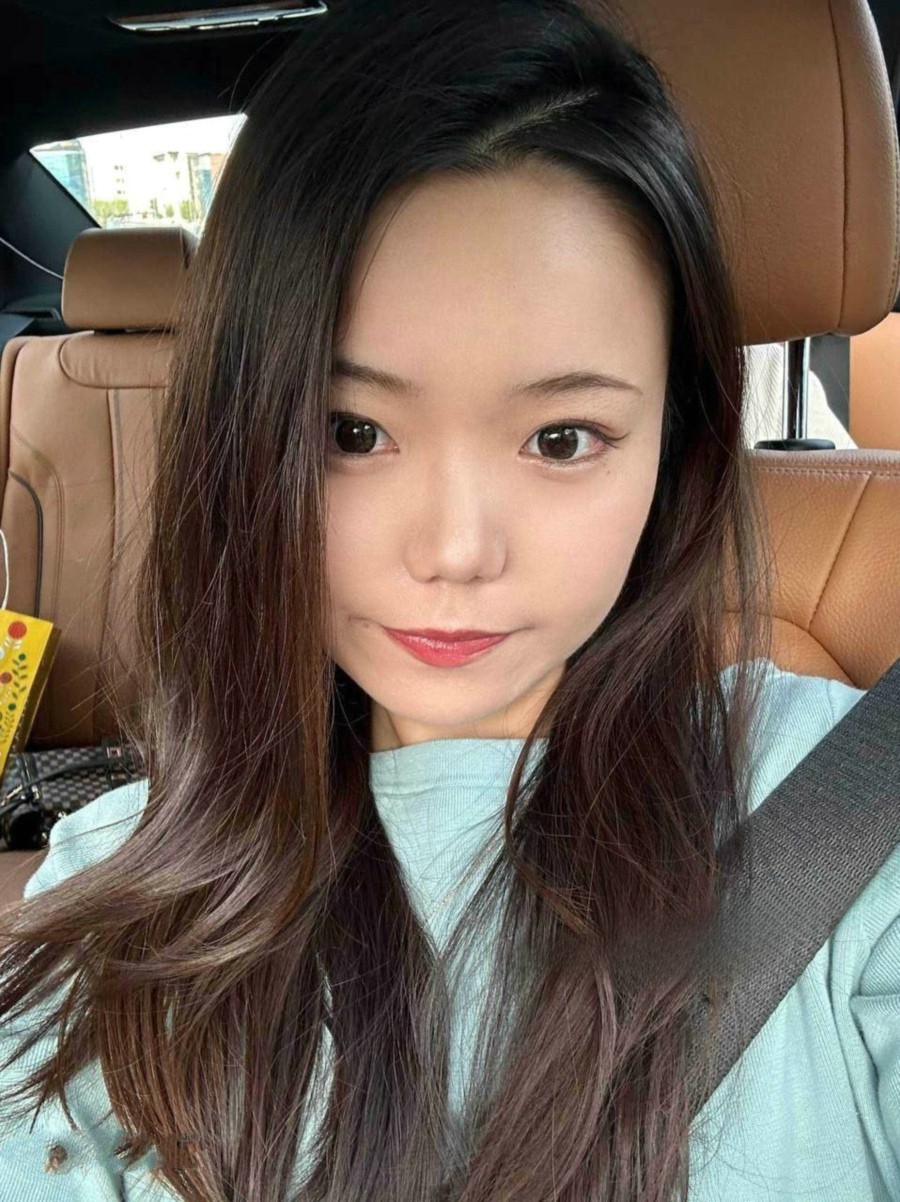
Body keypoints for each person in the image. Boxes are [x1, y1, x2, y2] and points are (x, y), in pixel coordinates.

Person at [0, 1, 896, 1199]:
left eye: (563, 436)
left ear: (676, 445)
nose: (456, 550)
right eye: (352, 432)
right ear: (244, 436)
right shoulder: (117, 894)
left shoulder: (851, 811)